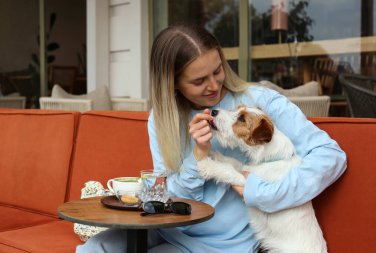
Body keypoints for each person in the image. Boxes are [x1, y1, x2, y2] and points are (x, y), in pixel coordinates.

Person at [77, 25, 347, 253]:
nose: (215, 85)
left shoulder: (260, 102)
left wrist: (262, 193)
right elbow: (170, 198)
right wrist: (198, 157)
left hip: (222, 244)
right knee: (96, 247)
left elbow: (331, 156)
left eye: (217, 71)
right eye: (199, 81)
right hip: (168, 228)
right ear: (172, 83)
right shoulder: (162, 119)